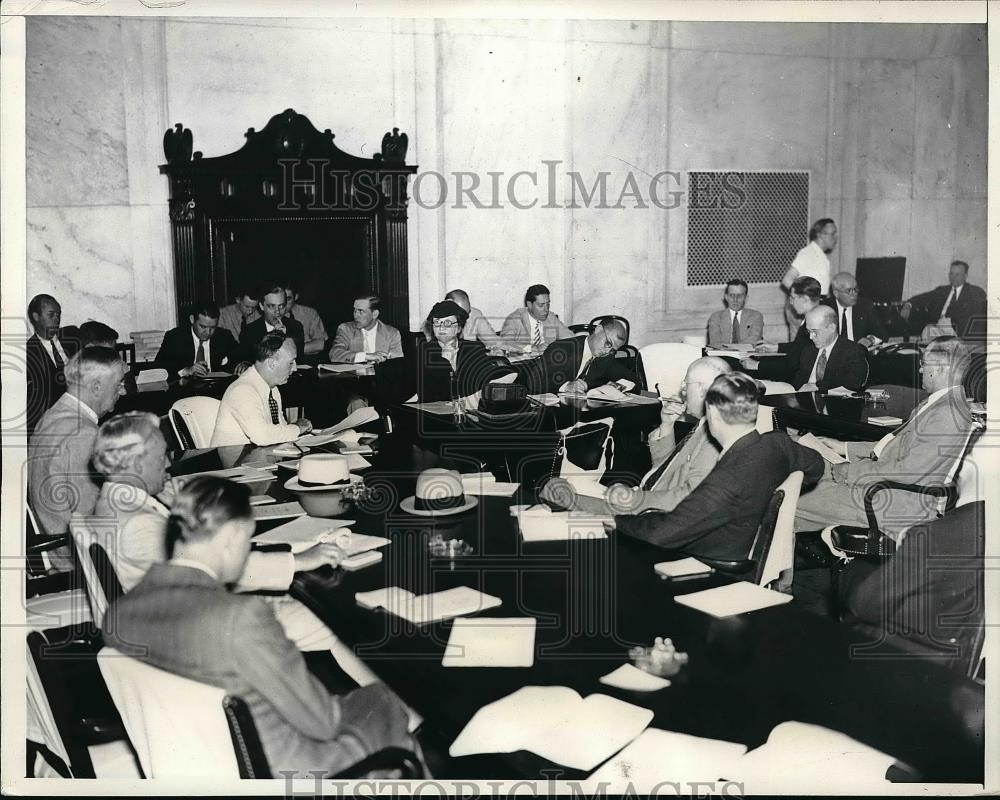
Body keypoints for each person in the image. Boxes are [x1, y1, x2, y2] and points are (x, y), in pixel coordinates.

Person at [101, 476, 419, 778]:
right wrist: (377, 698)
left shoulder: (119, 614)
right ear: (230, 540)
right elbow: (324, 722)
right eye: (248, 539)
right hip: (288, 770)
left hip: (205, 763)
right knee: (384, 703)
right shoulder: (240, 619)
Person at [610, 373, 823, 561]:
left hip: (705, 562)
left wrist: (612, 521)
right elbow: (816, 465)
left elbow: (660, 535)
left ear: (711, 412)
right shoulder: (778, 442)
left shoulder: (725, 481)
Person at [794, 336, 976, 539]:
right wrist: (843, 447)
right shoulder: (942, 404)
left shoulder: (946, 414)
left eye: (923, 363)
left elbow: (908, 471)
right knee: (808, 471)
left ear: (941, 368)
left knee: (791, 499)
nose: (920, 370)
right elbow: (895, 445)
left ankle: (774, 560)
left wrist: (850, 471)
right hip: (888, 490)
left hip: (894, 504)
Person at [542, 357, 731, 516]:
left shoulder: (714, 439)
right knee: (561, 483)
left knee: (552, 490)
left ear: (701, 389)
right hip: (645, 498)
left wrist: (630, 498)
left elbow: (684, 501)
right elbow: (663, 469)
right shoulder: (706, 423)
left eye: (686, 383)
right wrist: (666, 424)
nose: (682, 389)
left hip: (645, 514)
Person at [837, 500, 984, 662]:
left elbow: (864, 604)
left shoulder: (964, 525)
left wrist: (848, 570)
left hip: (894, 655)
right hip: (958, 662)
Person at [27, 347, 126, 564]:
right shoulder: (84, 436)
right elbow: (94, 520)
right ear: (96, 387)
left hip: (55, 541)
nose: (123, 391)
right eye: (119, 384)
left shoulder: (51, 416)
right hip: (75, 561)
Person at [211, 333, 313, 447]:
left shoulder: (272, 389)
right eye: (290, 363)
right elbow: (262, 436)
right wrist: (297, 428)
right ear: (271, 363)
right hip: (233, 463)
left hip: (255, 459)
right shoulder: (242, 390)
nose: (294, 368)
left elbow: (278, 431)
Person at [414, 299, 512, 402]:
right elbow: (428, 393)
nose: (441, 328)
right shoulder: (424, 352)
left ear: (458, 328)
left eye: (447, 323)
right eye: (437, 323)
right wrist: (446, 362)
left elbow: (480, 384)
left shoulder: (474, 349)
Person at [747, 276, 823, 382]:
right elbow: (800, 347)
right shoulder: (815, 316)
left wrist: (757, 365)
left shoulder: (813, 324)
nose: (791, 302)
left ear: (805, 300)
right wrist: (776, 347)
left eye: (793, 298)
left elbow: (793, 365)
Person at [26, 293, 78, 435]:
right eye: (51, 315)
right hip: (52, 420)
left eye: (58, 315)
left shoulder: (71, 337)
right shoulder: (28, 352)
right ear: (36, 317)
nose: (57, 319)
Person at [900, 260, 987, 340]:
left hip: (958, 331)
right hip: (939, 328)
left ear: (965, 276)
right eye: (951, 273)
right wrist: (908, 305)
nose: (953, 277)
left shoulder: (975, 292)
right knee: (927, 331)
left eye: (957, 274)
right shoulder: (942, 291)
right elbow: (923, 297)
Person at [153, 300, 239, 380]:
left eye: (212, 327)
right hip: (184, 391)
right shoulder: (175, 337)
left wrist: (242, 364)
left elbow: (240, 356)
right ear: (192, 319)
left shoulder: (224, 336)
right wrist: (186, 371)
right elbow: (159, 368)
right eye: (203, 327)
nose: (208, 332)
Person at [793, 305, 869, 392]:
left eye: (815, 332)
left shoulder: (852, 350)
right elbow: (798, 382)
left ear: (831, 328)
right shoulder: (808, 351)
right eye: (808, 331)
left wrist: (818, 387)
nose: (810, 337)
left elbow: (854, 382)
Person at [559, 318, 637, 394]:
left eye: (613, 350)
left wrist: (617, 386)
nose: (607, 351)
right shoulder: (563, 348)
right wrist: (566, 387)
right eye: (608, 343)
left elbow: (634, 381)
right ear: (598, 330)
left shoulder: (606, 357)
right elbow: (547, 381)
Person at [328, 295, 403, 364]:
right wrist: (366, 356)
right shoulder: (346, 329)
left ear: (374, 314)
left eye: (360, 311)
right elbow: (334, 354)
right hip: (355, 377)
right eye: (354, 310)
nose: (355, 315)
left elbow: (397, 364)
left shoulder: (392, 333)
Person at [240, 285, 306, 364]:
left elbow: (299, 360)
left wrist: (285, 337)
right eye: (271, 306)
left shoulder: (296, 327)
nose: (277, 312)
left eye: (281, 306)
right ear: (261, 306)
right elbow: (245, 361)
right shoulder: (249, 331)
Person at [499, 284, 573, 350]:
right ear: (529, 304)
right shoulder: (514, 319)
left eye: (548, 304)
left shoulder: (551, 317)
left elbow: (569, 337)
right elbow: (504, 344)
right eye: (541, 305)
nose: (546, 309)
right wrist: (533, 348)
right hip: (523, 362)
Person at [822, 272, 887, 347]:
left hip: (858, 354)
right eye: (848, 291)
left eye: (855, 289)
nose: (854, 294)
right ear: (836, 293)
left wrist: (870, 340)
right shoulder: (825, 308)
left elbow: (882, 334)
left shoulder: (865, 306)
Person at [782, 218, 837, 295]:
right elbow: (787, 280)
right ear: (820, 235)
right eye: (832, 234)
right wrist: (803, 299)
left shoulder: (821, 256)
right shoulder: (808, 253)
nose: (835, 238)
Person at [706, 280, 764, 346]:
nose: (735, 300)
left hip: (748, 354)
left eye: (739, 296)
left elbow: (754, 340)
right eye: (731, 295)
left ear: (746, 298)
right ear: (726, 297)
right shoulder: (716, 317)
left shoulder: (756, 316)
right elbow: (715, 343)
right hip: (723, 355)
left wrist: (730, 348)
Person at [284, 281, 328, 356]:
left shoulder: (310, 313)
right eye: (281, 298)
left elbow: (320, 344)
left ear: (296, 297)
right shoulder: (269, 314)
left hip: (306, 359)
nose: (283, 303)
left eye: (288, 299)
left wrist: (290, 351)